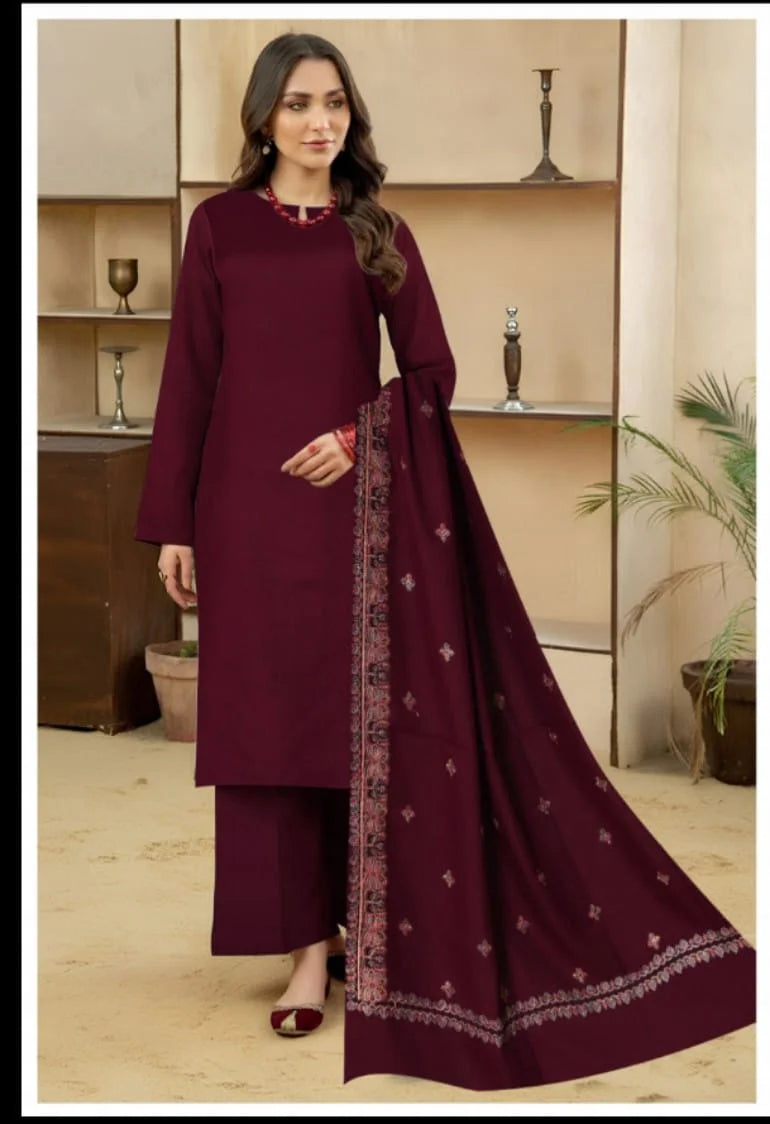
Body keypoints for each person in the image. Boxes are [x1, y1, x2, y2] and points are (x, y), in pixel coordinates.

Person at [136, 31, 755, 1091]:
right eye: (296, 105)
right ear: (261, 119)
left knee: (345, 720)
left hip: (349, 517)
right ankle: (298, 948)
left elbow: (430, 368)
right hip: (240, 514)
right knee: (263, 730)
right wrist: (174, 523)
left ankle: (343, 935)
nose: (318, 122)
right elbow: (189, 379)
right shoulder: (219, 229)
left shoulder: (377, 230)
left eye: (333, 103)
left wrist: (350, 439)